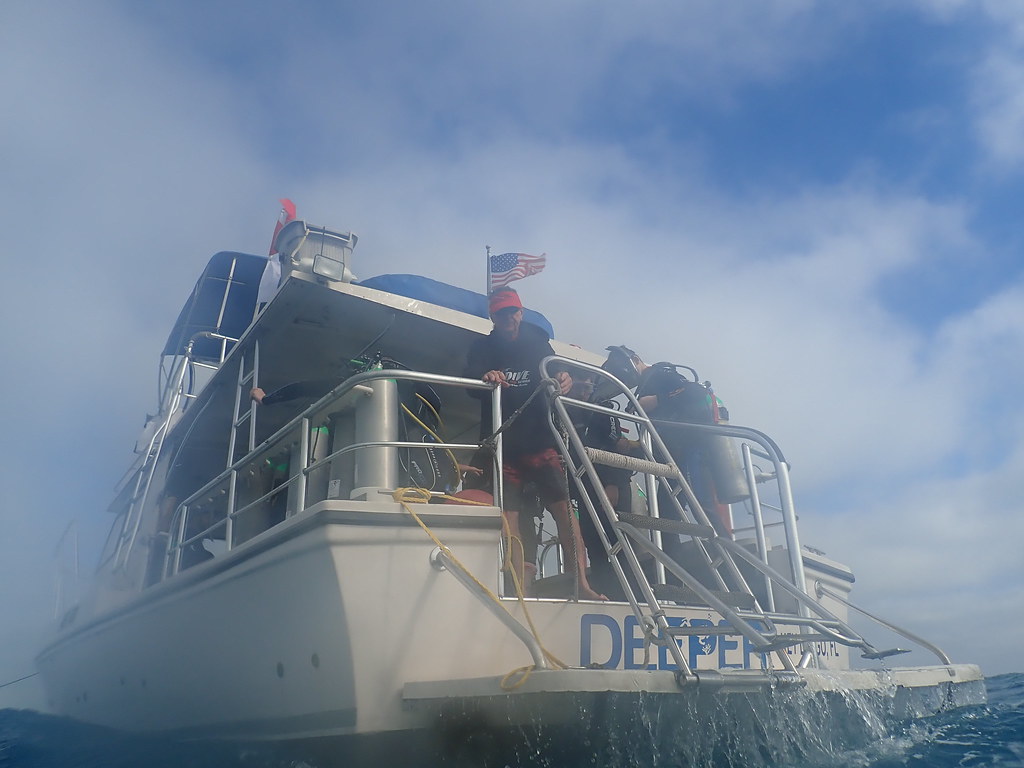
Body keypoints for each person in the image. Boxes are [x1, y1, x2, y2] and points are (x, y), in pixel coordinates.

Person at [464, 287, 606, 601]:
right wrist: (485, 377)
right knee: (510, 519)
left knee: (566, 513)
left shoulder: (537, 340)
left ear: (521, 311)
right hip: (505, 445)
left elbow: (556, 371)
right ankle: (517, 590)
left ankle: (580, 583)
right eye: (502, 313)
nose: (509, 318)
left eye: (513, 311)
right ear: (493, 316)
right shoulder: (482, 347)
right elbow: (470, 383)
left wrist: (565, 377)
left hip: (541, 442)